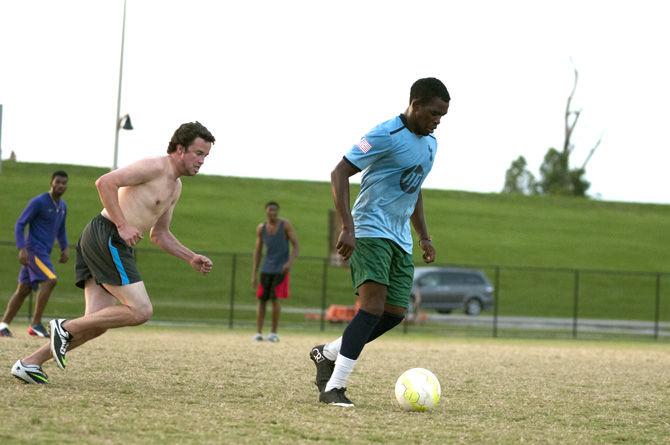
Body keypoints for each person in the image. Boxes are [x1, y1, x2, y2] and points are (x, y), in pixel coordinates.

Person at [11, 122, 215, 384]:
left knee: (96, 325)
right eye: (198, 153)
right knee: (141, 310)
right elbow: (105, 182)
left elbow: (159, 234)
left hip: (108, 240)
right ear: (179, 149)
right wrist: (123, 224)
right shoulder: (154, 166)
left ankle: (29, 363)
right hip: (107, 235)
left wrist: (190, 256)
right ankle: (64, 327)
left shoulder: (175, 187)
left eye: (205, 156)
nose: (201, 161)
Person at [309, 78, 450, 407]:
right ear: (414, 104)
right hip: (370, 230)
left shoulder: (431, 145)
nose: (437, 121)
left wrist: (424, 236)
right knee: (371, 307)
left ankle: (328, 353)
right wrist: (347, 226)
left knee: (394, 313)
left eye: (442, 116)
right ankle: (334, 387)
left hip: (401, 238)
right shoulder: (385, 134)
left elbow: (414, 189)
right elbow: (339, 172)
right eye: (433, 113)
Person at [0, 171, 69, 338]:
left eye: (64, 183)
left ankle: (2, 326)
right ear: (51, 182)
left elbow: (61, 229)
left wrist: (64, 247)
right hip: (33, 251)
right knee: (50, 280)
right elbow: (20, 224)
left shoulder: (62, 206)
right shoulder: (39, 202)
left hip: (44, 251)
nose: (61, 185)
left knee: (23, 290)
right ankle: (36, 324)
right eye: (58, 182)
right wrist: (21, 248)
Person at [251, 201, 299, 342]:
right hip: (266, 269)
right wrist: (254, 273)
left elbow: (296, 246)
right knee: (261, 299)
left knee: (275, 299)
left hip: (280, 269)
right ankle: (259, 332)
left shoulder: (285, 225)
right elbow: (258, 251)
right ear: (266, 211)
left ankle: (273, 333)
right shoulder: (262, 228)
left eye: (275, 210)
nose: (273, 213)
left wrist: (289, 263)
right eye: (270, 210)